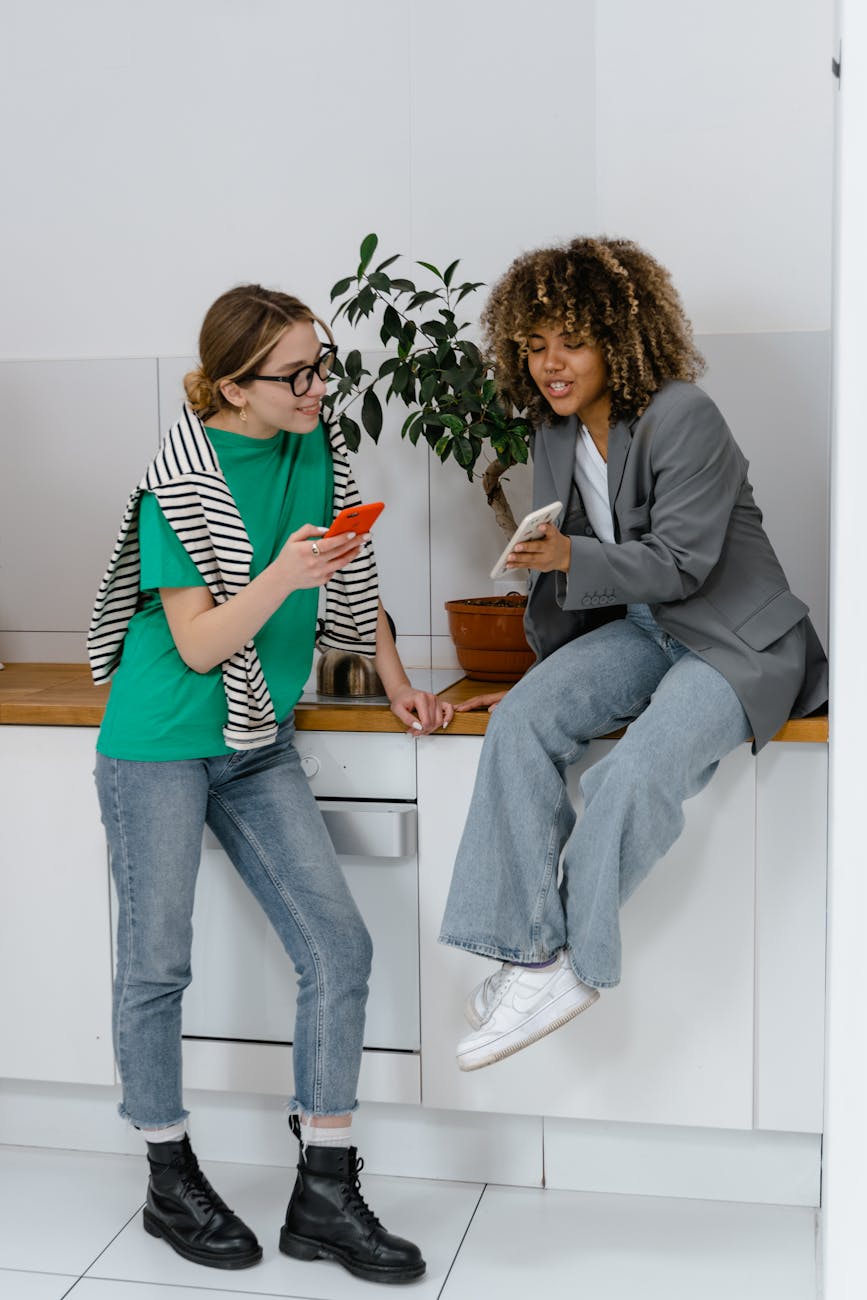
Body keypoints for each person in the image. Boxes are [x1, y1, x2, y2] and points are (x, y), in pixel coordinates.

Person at [88, 284, 452, 1282]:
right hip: (160, 737)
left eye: (323, 365)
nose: (318, 387)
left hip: (256, 742)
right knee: (156, 965)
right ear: (236, 384)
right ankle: (168, 1173)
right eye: (297, 373)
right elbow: (200, 639)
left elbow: (351, 580)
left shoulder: (316, 453)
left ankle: (324, 1191)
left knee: (340, 946)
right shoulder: (181, 478)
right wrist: (282, 578)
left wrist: (399, 684)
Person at [439, 237, 828, 1073]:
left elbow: (683, 561)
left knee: (636, 768)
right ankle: (531, 953)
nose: (550, 364)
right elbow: (588, 574)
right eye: (534, 346)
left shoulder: (684, 415)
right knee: (523, 722)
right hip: (650, 630)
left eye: (570, 343)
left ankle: (572, 965)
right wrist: (550, 679)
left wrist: (570, 558)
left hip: (735, 641)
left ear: (619, 338)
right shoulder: (551, 430)